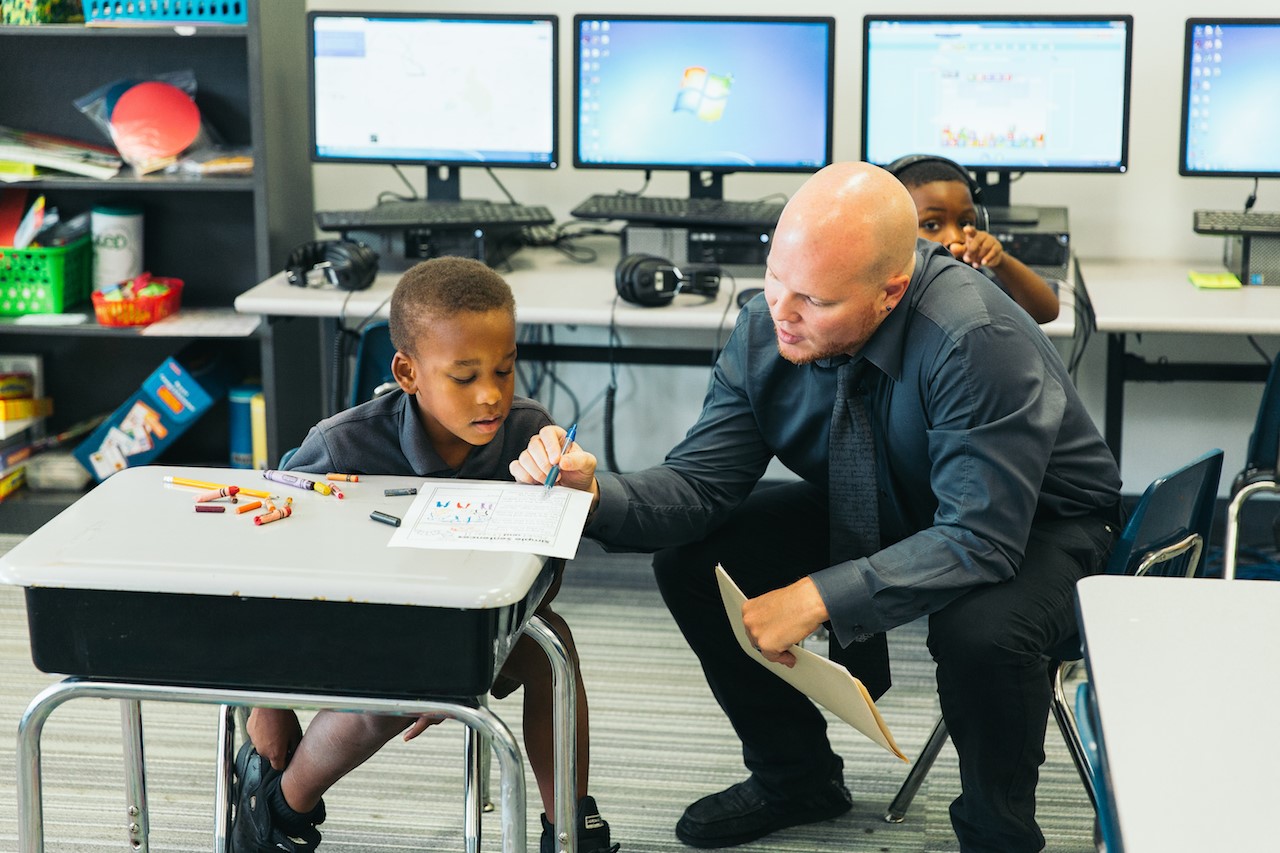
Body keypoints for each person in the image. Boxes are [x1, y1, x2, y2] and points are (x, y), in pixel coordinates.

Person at [510, 162, 1122, 853]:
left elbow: (980, 535)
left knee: (981, 631)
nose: (781, 311)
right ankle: (795, 777)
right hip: (901, 496)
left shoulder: (972, 338)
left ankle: (996, 832)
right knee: (693, 561)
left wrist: (816, 595)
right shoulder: (764, 325)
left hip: (1044, 519)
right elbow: (702, 486)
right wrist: (593, 491)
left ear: (891, 291)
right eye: (775, 278)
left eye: (815, 300)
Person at [232, 257, 617, 853]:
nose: (491, 396)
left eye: (505, 370)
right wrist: (267, 705)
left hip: (465, 625)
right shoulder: (341, 444)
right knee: (391, 691)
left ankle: (566, 825)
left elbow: (542, 579)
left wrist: (456, 659)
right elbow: (266, 574)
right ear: (408, 372)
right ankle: (282, 808)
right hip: (350, 626)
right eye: (464, 378)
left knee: (552, 646)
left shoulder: (528, 435)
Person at [892, 155, 1061, 324]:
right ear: (893, 228)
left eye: (965, 223)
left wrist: (1000, 261)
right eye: (931, 225)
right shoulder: (887, 288)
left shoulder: (972, 275)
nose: (956, 238)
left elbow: (1046, 311)